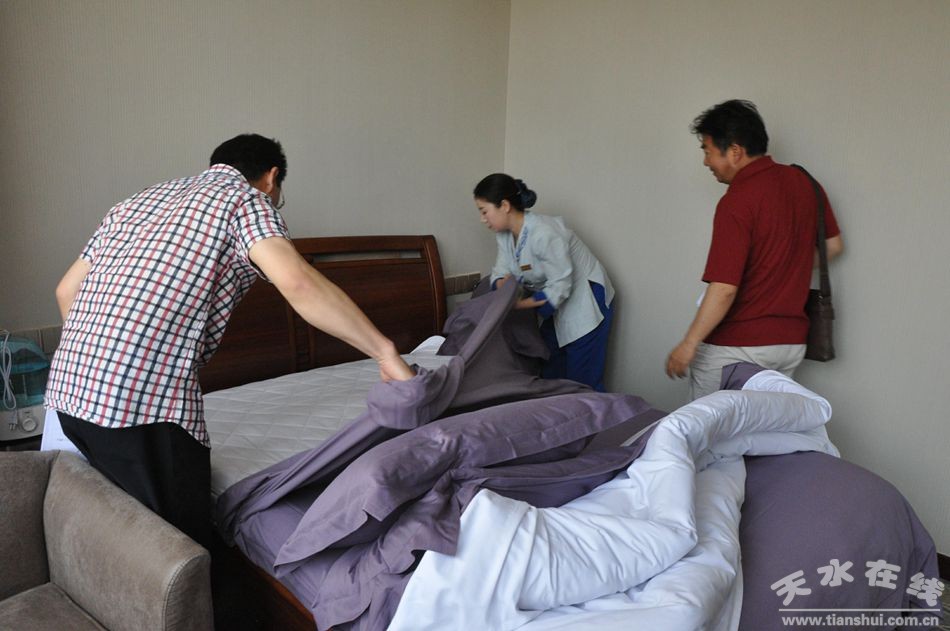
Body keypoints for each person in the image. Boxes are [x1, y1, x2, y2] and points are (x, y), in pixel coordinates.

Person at [45, 134, 414, 547]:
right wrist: (385, 352)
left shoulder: (136, 202)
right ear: (271, 177)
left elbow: (66, 291)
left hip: (67, 390)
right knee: (177, 547)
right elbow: (298, 282)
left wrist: (99, 357)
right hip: (139, 406)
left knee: (115, 534)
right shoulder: (244, 200)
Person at [665, 100, 844, 400]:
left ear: (735, 151)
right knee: (761, 425)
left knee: (709, 427)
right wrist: (786, 265)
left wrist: (689, 343)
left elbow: (724, 289)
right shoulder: (805, 183)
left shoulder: (737, 200)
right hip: (789, 346)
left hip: (736, 346)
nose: (706, 162)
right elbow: (833, 246)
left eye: (708, 151)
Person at [474, 173, 614, 391]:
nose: (482, 219)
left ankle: (591, 411)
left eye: (484, 211)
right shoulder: (504, 235)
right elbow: (500, 272)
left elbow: (561, 285)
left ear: (504, 206)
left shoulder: (544, 232)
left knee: (582, 380)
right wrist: (503, 288)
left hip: (585, 299)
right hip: (555, 300)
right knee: (551, 370)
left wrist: (518, 304)